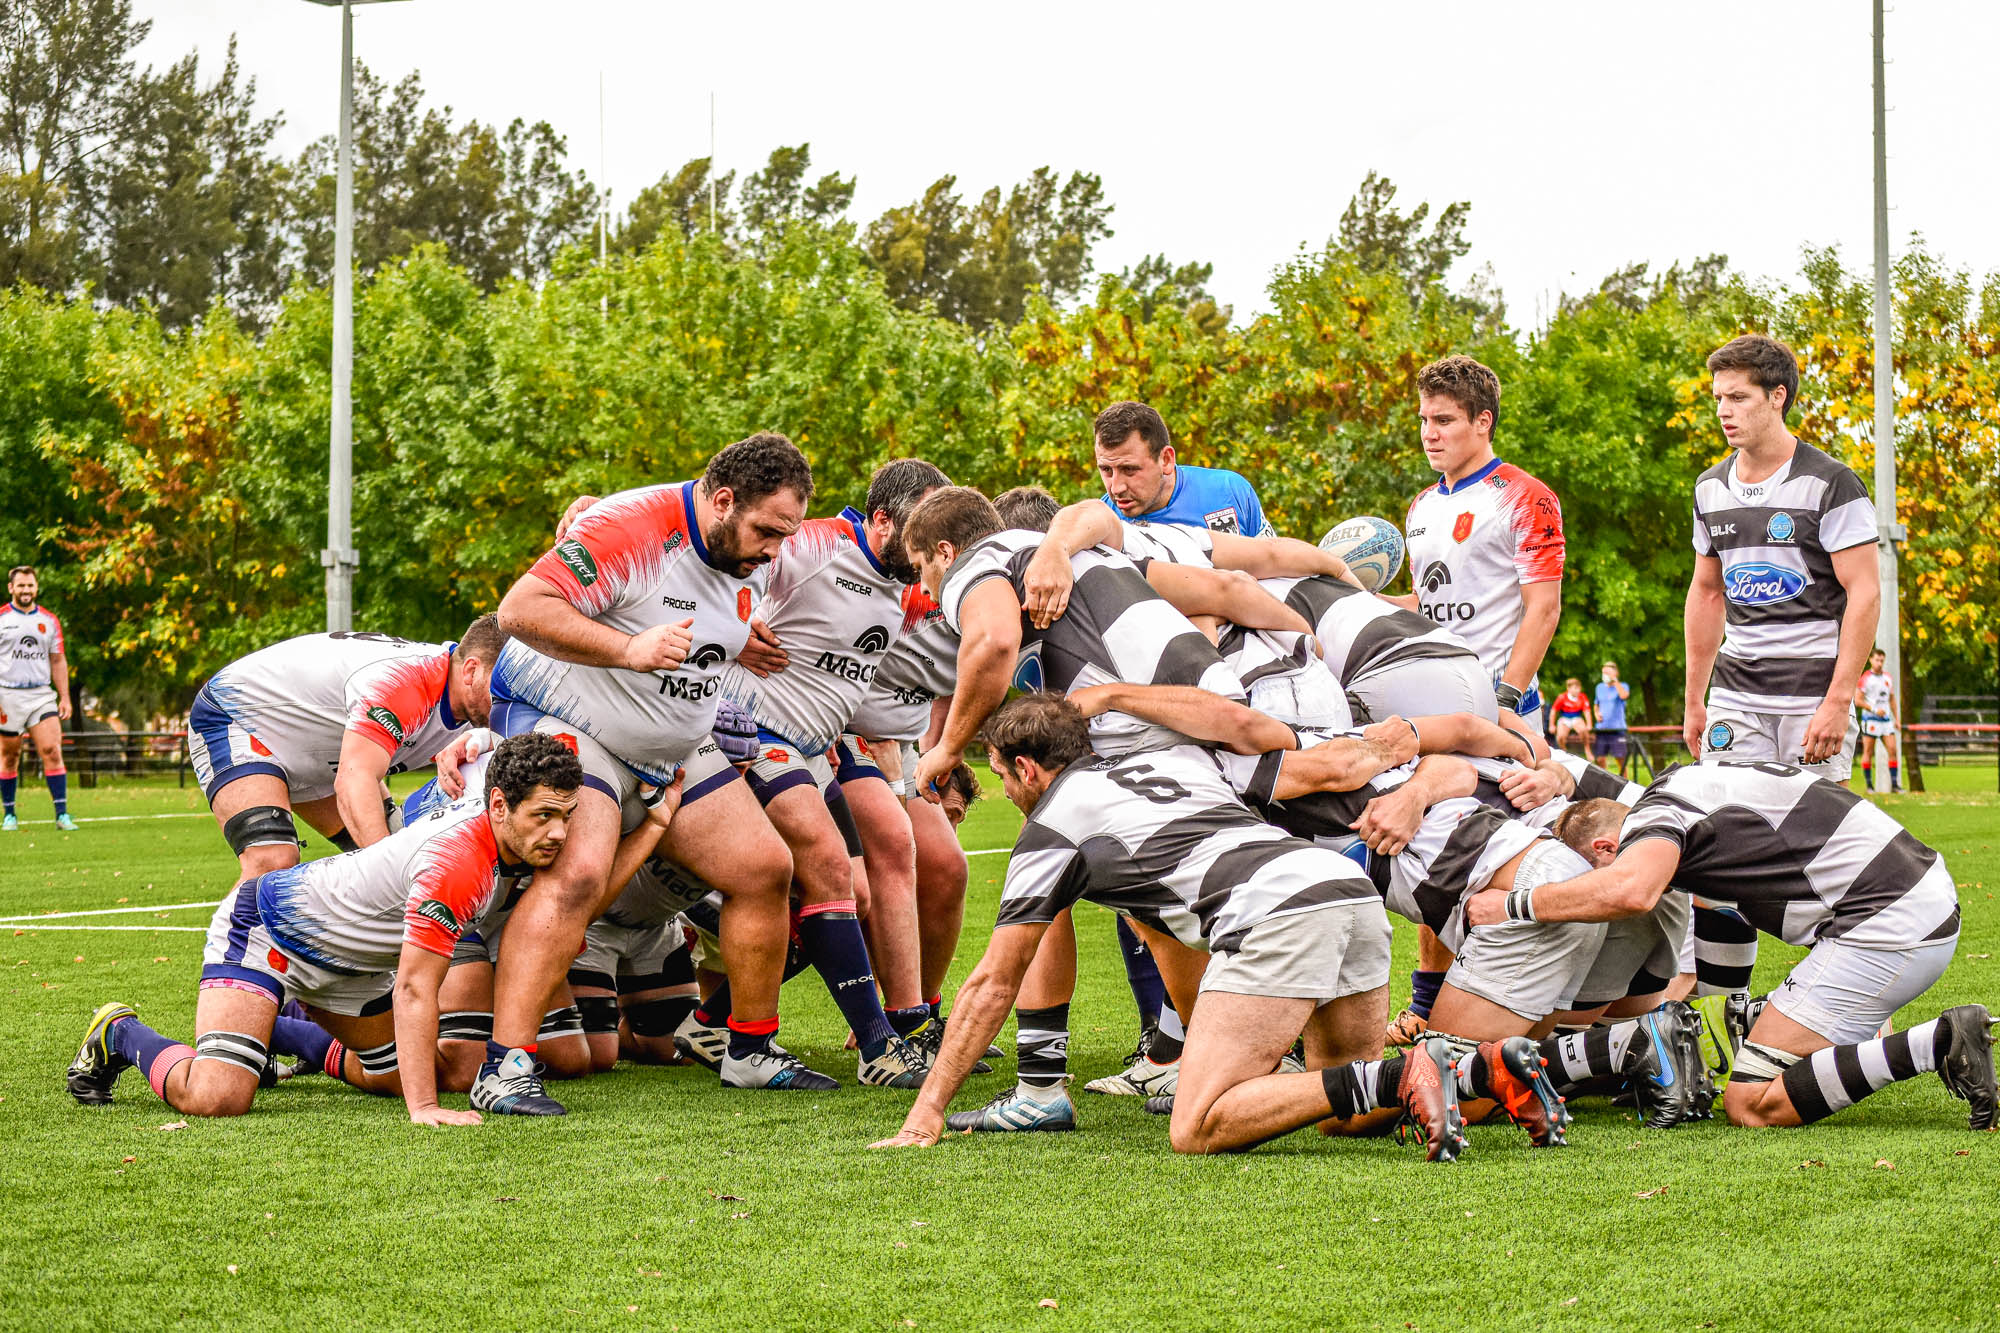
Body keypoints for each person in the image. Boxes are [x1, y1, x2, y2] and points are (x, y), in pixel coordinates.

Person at [868, 695, 1552, 1162]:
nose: (1012, 795)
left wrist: (926, 1112)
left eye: (1005, 779)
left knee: (1195, 1126)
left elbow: (993, 981)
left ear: (1026, 767)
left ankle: (1415, 1070)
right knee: (1348, 1105)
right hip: (1344, 890)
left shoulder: (1052, 830)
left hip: (1278, 911)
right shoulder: (1174, 758)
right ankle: (1478, 1068)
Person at [65, 734, 679, 1124]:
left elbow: (584, 895)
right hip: (269, 932)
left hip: (350, 969)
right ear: (498, 808)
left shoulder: (516, 839)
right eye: (543, 816)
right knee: (219, 1097)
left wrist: (651, 825)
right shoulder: (458, 864)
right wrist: (426, 1110)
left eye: (566, 817)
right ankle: (120, 1033)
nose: (559, 834)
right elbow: (415, 988)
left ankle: (274, 1032)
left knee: (384, 1074)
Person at [483, 433, 826, 1110]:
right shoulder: (632, 525)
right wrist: (628, 648)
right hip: (573, 717)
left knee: (765, 867)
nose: (773, 551)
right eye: (766, 531)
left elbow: (701, 613)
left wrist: (738, 644)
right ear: (723, 501)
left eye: (785, 534)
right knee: (579, 871)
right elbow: (519, 611)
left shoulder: (745, 548)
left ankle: (749, 1050)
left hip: (670, 740)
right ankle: (504, 1066)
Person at [1465, 762, 1996, 1131]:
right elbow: (1720, 908)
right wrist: (1714, 1016)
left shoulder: (1653, 825)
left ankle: (1938, 1041)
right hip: (1915, 897)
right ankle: (1785, 1025)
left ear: (1607, 846)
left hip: (1886, 926)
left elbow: (1628, 890)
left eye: (1587, 872)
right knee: (1714, 909)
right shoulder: (1676, 788)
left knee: (1751, 1103)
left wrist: (1515, 905)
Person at [1683, 334, 1880, 781]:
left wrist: (1838, 701)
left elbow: (1865, 593)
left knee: (1819, 842)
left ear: (1778, 397)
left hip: (1812, 698)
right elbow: (1707, 592)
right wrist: (1696, 699)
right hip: (1734, 695)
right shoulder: (1708, 488)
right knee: (1729, 830)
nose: (1722, 411)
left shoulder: (1833, 483)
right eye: (1718, 398)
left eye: (1737, 397)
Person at [186, 617, 507, 886]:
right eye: (503, 686)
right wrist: (391, 883)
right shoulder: (405, 683)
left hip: (319, 750)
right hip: (242, 718)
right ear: (470, 670)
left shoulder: (469, 703)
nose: (510, 698)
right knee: (272, 860)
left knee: (398, 842)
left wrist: (481, 740)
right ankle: (229, 956)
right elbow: (355, 780)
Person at [1398, 356, 1565, 723]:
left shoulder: (1526, 496)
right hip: (1434, 701)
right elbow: (1425, 601)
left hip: (1500, 704)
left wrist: (1505, 700)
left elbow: (1544, 608)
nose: (1429, 433)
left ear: (1482, 422)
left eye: (1444, 421)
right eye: (1424, 420)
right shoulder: (1421, 505)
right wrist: (1353, 594)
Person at [1091, 400, 1275, 536]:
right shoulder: (1103, 524)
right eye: (1106, 470)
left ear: (1166, 460)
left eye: (1129, 470)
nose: (1116, 488)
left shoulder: (1229, 490)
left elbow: (1274, 567)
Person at [1, 565, 76, 831]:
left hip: (41, 695)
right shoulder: (1, 618)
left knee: (52, 750)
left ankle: (62, 814)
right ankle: (9, 814)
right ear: (11, 588)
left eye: (30, 585)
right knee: (10, 756)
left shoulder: (49, 620)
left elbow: (57, 659)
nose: (26, 590)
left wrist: (64, 697)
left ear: (36, 587)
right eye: (20, 585)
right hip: (7, 694)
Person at [1854, 646, 1901, 792]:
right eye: (1877, 660)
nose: (1879, 663)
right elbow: (1858, 700)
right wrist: (1874, 709)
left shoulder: (1887, 677)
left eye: (1882, 660)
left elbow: (1892, 699)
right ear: (1871, 660)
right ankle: (1869, 786)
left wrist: (1897, 719)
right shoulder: (1865, 678)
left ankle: (1894, 785)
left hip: (1886, 720)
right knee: (1868, 751)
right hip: (1871, 720)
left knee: (1893, 750)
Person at [1592, 661, 1632, 777]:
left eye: (1607, 673)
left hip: (1617, 729)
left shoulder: (1623, 686)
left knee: (1621, 759)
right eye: (1603, 672)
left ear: (1615, 673)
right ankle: (1604, 782)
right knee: (1599, 759)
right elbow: (1596, 703)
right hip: (1601, 729)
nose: (1605, 675)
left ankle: (1625, 783)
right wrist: (1596, 713)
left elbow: (1624, 696)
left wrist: (1615, 681)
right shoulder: (1599, 687)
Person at [1551, 678, 1592, 752]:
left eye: (1579, 688)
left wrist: (1589, 724)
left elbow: (1587, 711)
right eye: (1575, 688)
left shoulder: (1582, 697)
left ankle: (1587, 749)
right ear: (1568, 688)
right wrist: (1551, 725)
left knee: (1583, 730)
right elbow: (1553, 711)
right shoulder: (1562, 697)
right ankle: (1564, 750)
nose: (1578, 690)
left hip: (1577, 718)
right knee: (1560, 737)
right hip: (1564, 718)